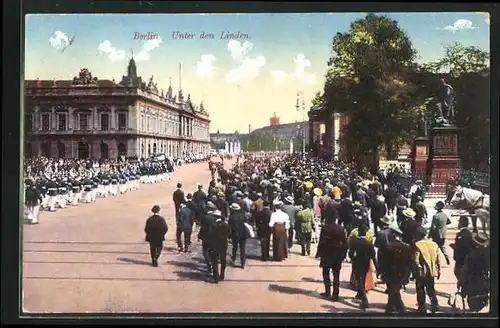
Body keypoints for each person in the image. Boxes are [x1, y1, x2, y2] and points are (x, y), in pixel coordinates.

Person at [379, 225, 413, 313]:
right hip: (403, 273)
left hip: (391, 273)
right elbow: (410, 262)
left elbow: (384, 262)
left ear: (392, 236)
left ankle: (400, 308)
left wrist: (381, 271)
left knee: (394, 291)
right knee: (394, 290)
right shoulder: (407, 247)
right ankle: (390, 307)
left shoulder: (388, 247)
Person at [315, 216, 348, 301]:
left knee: (326, 273)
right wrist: (343, 255)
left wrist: (318, 253)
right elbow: (345, 243)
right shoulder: (340, 229)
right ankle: (335, 294)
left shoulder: (325, 228)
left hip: (326, 254)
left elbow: (321, 242)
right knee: (336, 275)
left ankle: (327, 291)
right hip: (337, 254)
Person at [458, 232, 490, 312]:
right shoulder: (488, 253)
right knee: (483, 301)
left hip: (472, 283)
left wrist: (460, 283)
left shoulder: (471, 255)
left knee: (473, 303)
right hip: (485, 282)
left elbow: (465, 270)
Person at [413, 226, 441, 313]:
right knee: (431, 290)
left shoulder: (417, 245)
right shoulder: (434, 244)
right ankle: (435, 306)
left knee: (420, 290)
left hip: (422, 273)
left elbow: (416, 261)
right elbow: (438, 259)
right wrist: (438, 271)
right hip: (431, 272)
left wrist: (416, 272)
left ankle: (422, 308)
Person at [348, 224, 376, 310]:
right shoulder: (369, 244)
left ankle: (365, 301)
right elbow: (373, 256)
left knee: (359, 282)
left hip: (357, 264)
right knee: (362, 280)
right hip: (366, 265)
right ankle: (359, 294)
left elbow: (350, 254)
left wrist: (353, 258)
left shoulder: (355, 242)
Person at [206, 210, 232, 284]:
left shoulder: (212, 226)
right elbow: (229, 235)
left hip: (214, 245)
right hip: (223, 245)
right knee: (223, 260)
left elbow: (209, 236)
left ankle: (216, 277)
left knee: (214, 262)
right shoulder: (226, 225)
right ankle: (222, 274)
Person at [450, 215, 474, 280]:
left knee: (459, 273)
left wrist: (454, 247)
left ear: (461, 223)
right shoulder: (470, 233)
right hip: (467, 258)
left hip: (461, 259)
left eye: (459, 222)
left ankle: (463, 289)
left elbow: (462, 247)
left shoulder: (461, 234)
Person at [428, 201, 451, 265]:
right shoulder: (445, 215)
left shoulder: (435, 216)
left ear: (438, 207)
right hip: (443, 233)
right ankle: (447, 258)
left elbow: (432, 227)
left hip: (436, 234)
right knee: (442, 247)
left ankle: (435, 261)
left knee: (434, 248)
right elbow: (449, 222)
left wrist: (429, 235)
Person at [228, 203, 249, 268]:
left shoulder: (232, 217)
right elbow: (246, 222)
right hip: (243, 233)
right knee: (243, 249)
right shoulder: (243, 215)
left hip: (235, 234)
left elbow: (230, 227)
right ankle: (243, 263)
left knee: (235, 247)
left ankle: (234, 259)